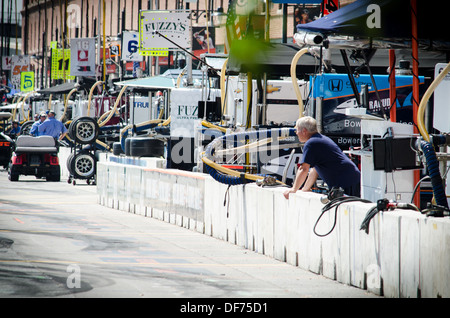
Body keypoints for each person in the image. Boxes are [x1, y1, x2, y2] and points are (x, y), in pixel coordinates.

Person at [283, 116, 361, 199]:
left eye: (297, 130)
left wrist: (294, 189)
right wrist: (305, 189)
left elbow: (303, 168)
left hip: (345, 182)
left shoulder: (311, 143)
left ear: (304, 131)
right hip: (350, 179)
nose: (296, 133)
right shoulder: (318, 139)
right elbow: (315, 169)